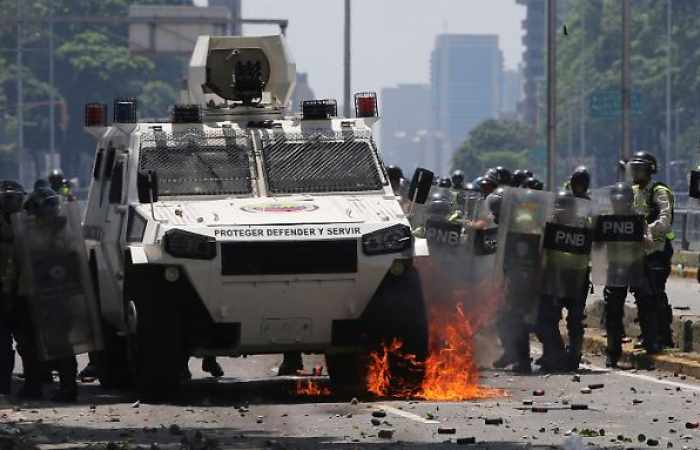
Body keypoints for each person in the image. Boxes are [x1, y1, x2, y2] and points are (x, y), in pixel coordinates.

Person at [22, 187, 78, 401]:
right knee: (32, 342)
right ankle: (37, 385)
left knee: (59, 343)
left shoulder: (62, 228)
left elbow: (69, 256)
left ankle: (66, 388)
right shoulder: (32, 229)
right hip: (37, 293)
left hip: (56, 292)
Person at [536, 190, 592, 372]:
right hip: (554, 279)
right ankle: (556, 353)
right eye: (559, 208)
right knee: (545, 319)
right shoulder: (548, 226)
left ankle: (574, 356)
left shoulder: (584, 225)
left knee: (575, 320)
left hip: (577, 279)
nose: (562, 212)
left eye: (566, 209)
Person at [628, 152, 675, 349]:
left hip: (658, 250)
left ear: (650, 170)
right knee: (641, 294)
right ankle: (648, 334)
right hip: (638, 251)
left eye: (640, 169)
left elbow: (665, 220)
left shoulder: (659, 191)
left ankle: (664, 336)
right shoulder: (633, 191)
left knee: (655, 294)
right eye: (634, 169)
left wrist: (646, 229)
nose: (636, 173)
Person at [0, 181, 25, 395]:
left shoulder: (29, 224)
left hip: (24, 290)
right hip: (6, 290)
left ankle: (36, 381)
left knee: (29, 341)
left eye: (13, 198)